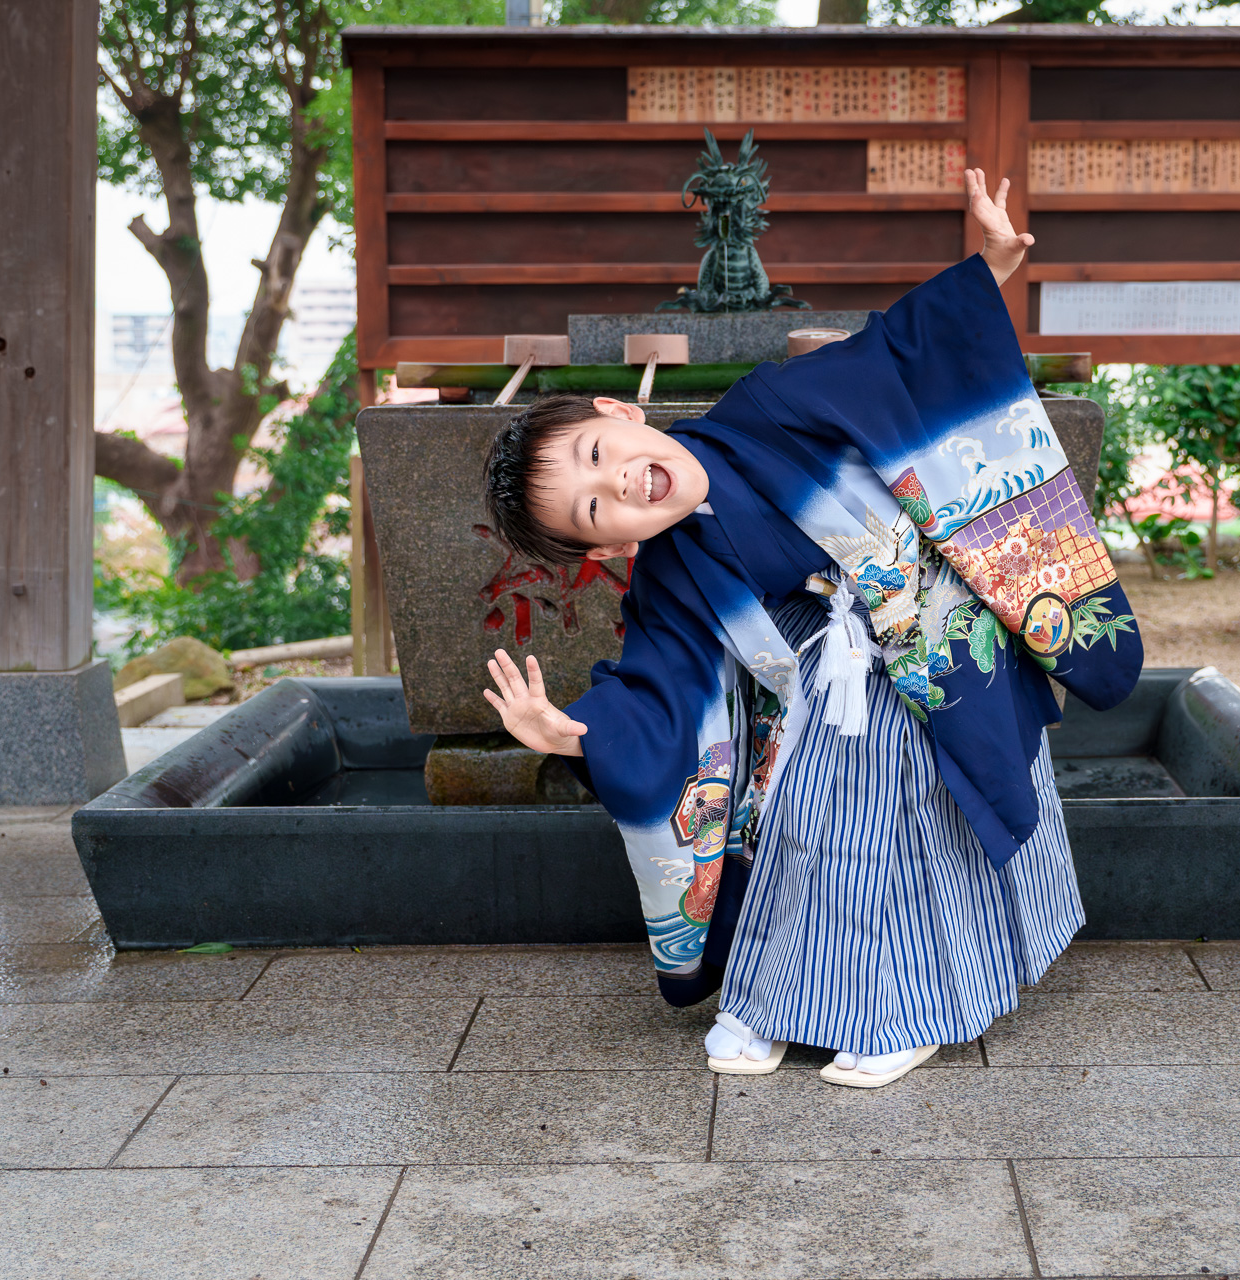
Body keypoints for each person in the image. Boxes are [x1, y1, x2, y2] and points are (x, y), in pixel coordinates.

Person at [480, 171, 1143, 1088]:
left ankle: (908, 1007)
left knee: (893, 824)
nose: (622, 486)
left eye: (602, 458)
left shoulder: (765, 411)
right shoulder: (671, 570)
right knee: (800, 829)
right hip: (810, 695)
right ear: (605, 548)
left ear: (620, 413)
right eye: (595, 512)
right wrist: (578, 734)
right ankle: (782, 1001)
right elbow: (661, 684)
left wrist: (989, 263)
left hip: (929, 647)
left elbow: (893, 357)